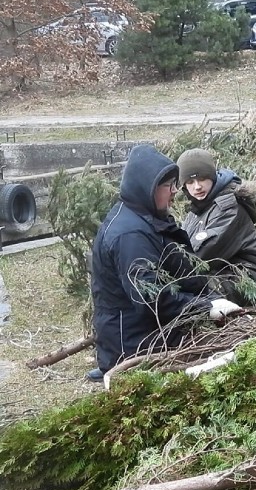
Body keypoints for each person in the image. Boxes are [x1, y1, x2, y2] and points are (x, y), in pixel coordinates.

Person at [89, 144, 242, 381]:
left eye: (174, 185)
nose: (174, 192)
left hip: (146, 331)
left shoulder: (146, 218)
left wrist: (211, 299)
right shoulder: (131, 236)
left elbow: (180, 271)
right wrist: (205, 308)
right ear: (147, 188)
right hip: (134, 346)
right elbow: (152, 299)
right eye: (168, 186)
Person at [176, 148, 256, 306]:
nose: (197, 187)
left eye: (202, 179)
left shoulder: (229, 207)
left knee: (190, 294)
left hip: (254, 280)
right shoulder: (196, 211)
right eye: (190, 182)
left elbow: (199, 257)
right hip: (224, 273)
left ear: (212, 177)